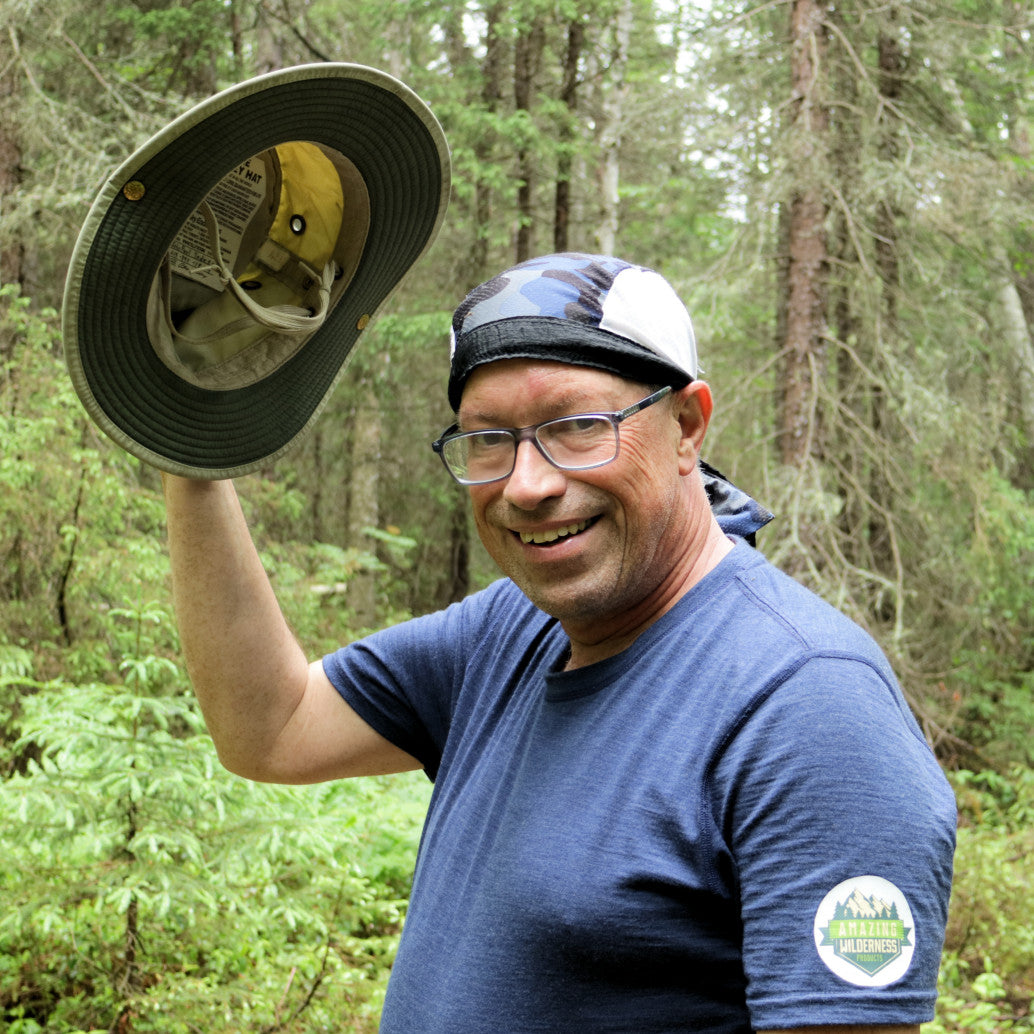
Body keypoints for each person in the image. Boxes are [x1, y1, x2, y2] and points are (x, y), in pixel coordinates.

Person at [163, 252, 956, 1034]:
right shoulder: (509, 632)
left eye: (579, 427)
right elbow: (272, 727)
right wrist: (191, 443)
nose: (526, 484)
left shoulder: (810, 709)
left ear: (687, 426)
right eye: (488, 440)